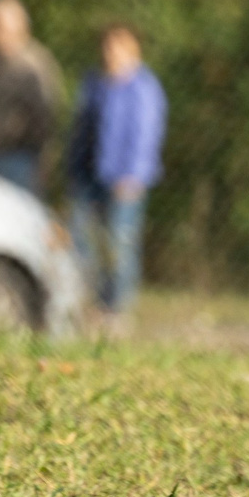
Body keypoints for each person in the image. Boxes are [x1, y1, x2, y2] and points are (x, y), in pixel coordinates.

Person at [68, 23, 166, 324]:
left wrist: (133, 176)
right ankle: (88, 300)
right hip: (89, 174)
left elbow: (146, 136)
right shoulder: (95, 83)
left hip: (124, 179)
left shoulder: (144, 89)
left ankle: (117, 308)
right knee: (82, 237)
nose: (111, 52)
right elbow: (80, 131)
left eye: (119, 46)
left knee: (120, 243)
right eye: (108, 46)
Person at [0, 0, 63, 196]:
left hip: (20, 159)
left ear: (19, 25)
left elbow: (46, 117)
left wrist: (43, 164)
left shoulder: (35, 65)